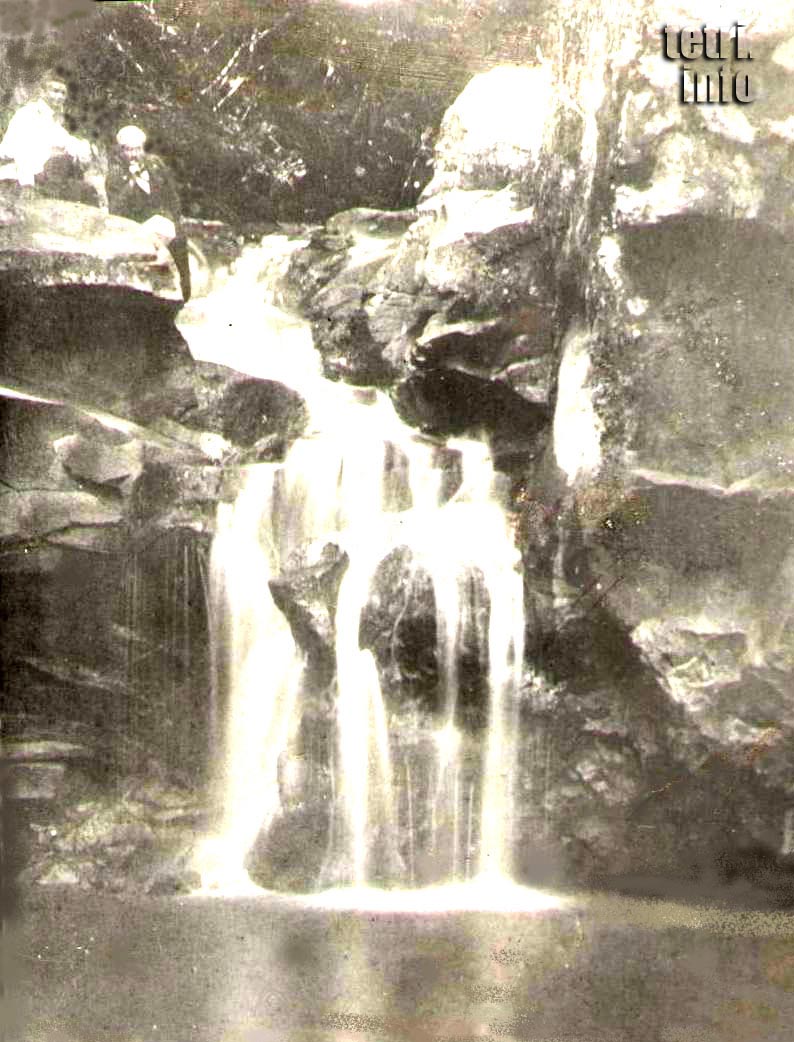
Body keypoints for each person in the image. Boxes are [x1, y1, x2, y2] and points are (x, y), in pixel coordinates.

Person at [106, 125, 191, 300]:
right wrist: (131, 183)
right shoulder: (115, 175)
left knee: (180, 243)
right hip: (136, 228)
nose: (134, 154)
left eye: (137, 149)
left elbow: (172, 195)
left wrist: (175, 220)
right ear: (121, 151)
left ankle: (184, 297)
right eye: (128, 150)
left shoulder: (155, 164)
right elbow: (114, 212)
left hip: (164, 223)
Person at [0, 78, 106, 207]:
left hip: (44, 179)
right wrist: (27, 184)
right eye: (55, 91)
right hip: (17, 177)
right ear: (42, 92)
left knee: (87, 191)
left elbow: (70, 143)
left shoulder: (54, 122)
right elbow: (22, 151)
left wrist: (85, 149)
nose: (59, 96)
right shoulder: (28, 114)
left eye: (63, 93)